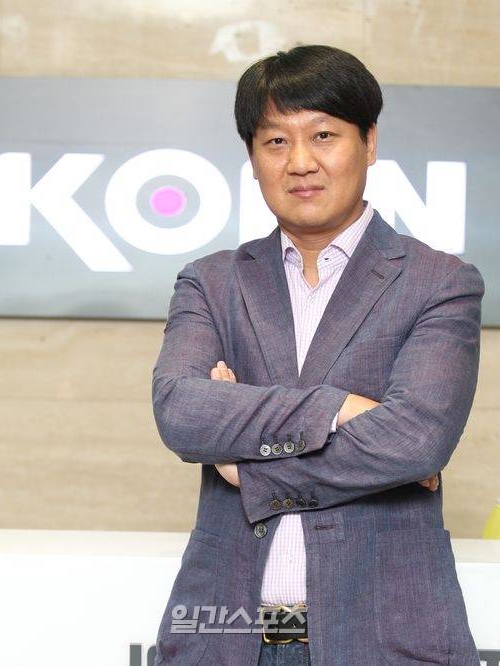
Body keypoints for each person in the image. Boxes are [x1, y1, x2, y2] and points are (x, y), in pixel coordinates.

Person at [152, 44, 484, 665]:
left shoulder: (439, 282)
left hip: (382, 636)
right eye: (276, 141)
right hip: (229, 635)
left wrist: (245, 463)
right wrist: (341, 409)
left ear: (369, 142)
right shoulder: (212, 282)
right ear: (252, 158)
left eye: (324, 135)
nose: (300, 162)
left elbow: (415, 441)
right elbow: (181, 411)